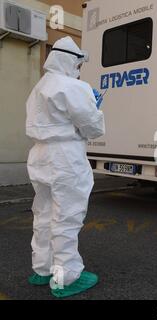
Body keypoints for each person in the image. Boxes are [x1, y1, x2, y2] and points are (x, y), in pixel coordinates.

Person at [26, 36, 105, 298]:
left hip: (39, 155)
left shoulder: (39, 87)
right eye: (78, 63)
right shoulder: (74, 86)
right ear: (71, 61)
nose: (79, 69)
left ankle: (43, 268)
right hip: (65, 157)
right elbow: (92, 127)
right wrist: (95, 106)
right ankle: (65, 277)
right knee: (67, 216)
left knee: (44, 213)